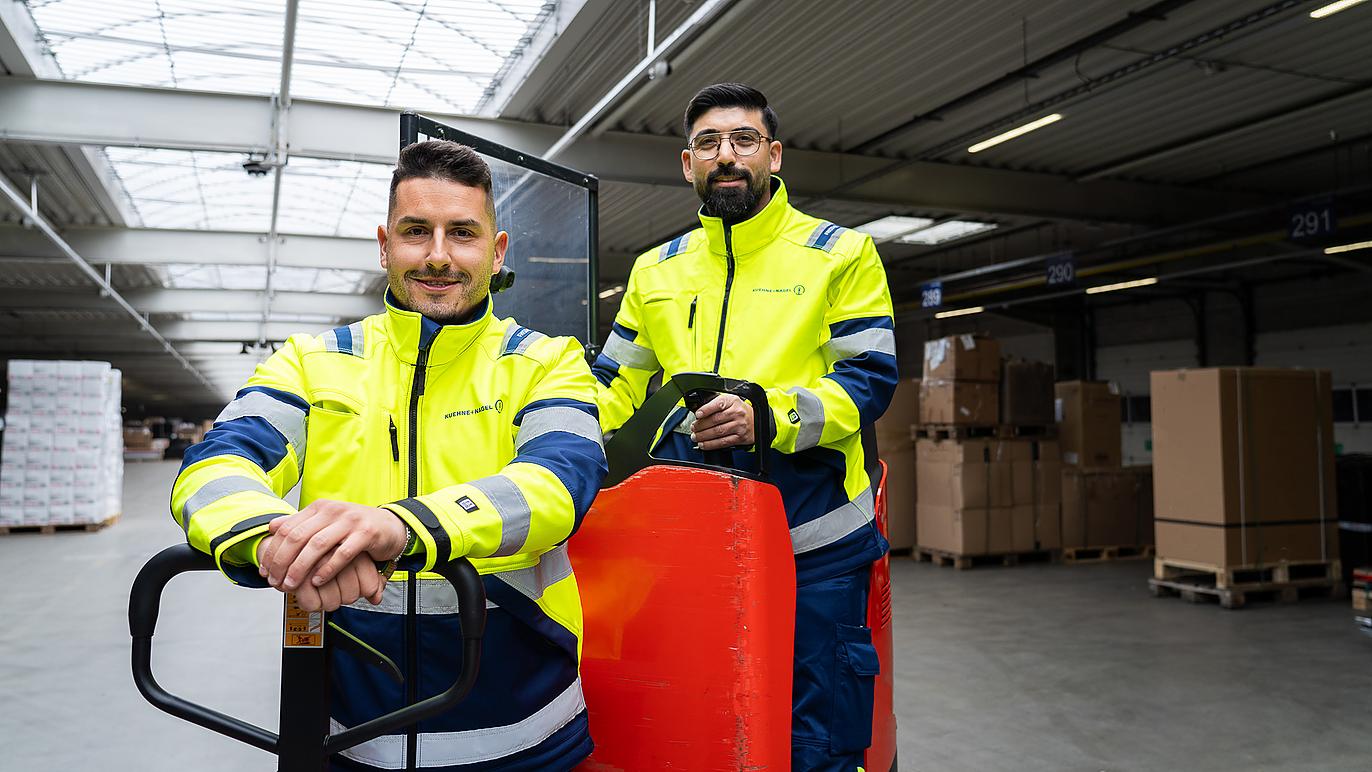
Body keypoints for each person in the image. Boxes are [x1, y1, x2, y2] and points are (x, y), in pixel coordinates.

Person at [171, 140, 607, 771]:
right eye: (415, 232)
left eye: (462, 233)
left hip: (521, 729)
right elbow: (216, 465)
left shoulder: (548, 362)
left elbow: (556, 484)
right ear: (384, 245)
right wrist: (270, 540)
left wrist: (404, 527)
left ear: (497, 249)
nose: (437, 256)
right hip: (352, 731)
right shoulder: (311, 361)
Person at [592, 82, 896, 771]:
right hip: (696, 537)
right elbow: (611, 384)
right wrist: (543, 439)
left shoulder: (840, 255)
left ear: (774, 155)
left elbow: (867, 379)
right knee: (705, 711)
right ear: (687, 163)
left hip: (814, 537)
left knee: (816, 729)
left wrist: (769, 416)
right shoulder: (656, 271)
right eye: (708, 143)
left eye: (743, 140)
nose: (726, 155)